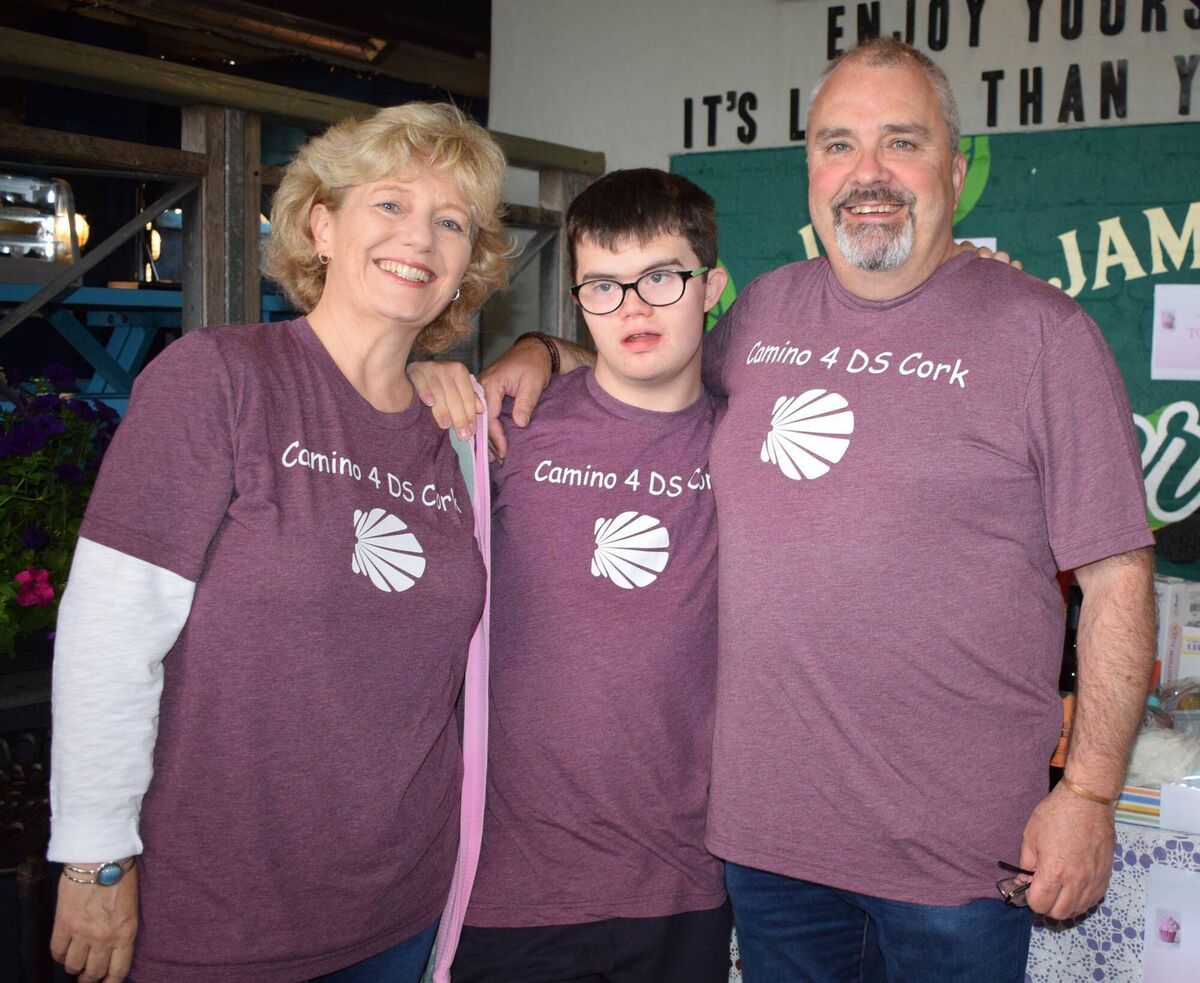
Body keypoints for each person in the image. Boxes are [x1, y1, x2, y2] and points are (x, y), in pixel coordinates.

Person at [427, 39, 1156, 983]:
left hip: (954, 861)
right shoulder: (766, 312)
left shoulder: (1043, 334)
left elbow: (1117, 575)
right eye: (837, 144)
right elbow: (649, 356)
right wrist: (537, 350)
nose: (867, 172)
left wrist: (1089, 792)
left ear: (955, 168)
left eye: (902, 141)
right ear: (809, 170)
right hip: (770, 854)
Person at [47, 102, 510, 983]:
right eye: (390, 204)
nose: (420, 236)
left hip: (401, 907)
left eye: (452, 222)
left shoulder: (456, 433)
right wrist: (95, 857)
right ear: (320, 226)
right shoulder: (218, 378)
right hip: (217, 912)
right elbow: (109, 637)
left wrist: (543, 350)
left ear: (467, 267)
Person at [447, 169, 732, 983]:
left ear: (710, 286)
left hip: (680, 881)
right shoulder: (508, 428)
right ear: (578, 300)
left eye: (660, 277)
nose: (633, 308)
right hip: (511, 887)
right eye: (604, 286)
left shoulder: (748, 441)